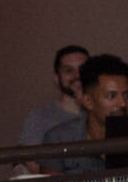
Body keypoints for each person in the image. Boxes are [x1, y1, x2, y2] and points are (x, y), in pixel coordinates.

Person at [39, 54, 128, 174]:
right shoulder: (60, 139)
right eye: (111, 96)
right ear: (88, 101)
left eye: (126, 95)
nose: (123, 103)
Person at [16, 45, 89, 174]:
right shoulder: (39, 117)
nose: (77, 75)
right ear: (56, 78)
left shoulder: (100, 115)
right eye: (69, 70)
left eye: (83, 69)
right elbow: (30, 161)